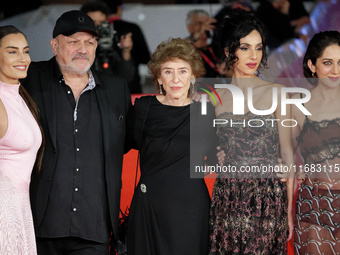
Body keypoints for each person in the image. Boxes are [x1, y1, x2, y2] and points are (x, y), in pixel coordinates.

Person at [20, 10, 131, 254]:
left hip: (94, 228)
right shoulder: (28, 80)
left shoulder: (115, 89)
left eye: (89, 42)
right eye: (73, 42)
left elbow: (126, 141)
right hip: (40, 225)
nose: (83, 49)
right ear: (54, 45)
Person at [208, 13, 295, 254]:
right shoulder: (215, 99)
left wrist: (288, 212)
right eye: (245, 48)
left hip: (267, 197)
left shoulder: (278, 93)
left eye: (258, 48)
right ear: (228, 51)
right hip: (228, 196)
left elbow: (287, 154)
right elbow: (210, 152)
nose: (253, 56)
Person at [125, 37, 219, 255]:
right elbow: (115, 145)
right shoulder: (143, 109)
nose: (176, 79)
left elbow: (219, 156)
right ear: (158, 76)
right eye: (168, 71)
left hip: (192, 209)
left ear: (193, 76)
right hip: (150, 207)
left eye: (183, 71)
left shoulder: (205, 112)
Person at [292, 30, 340, 254]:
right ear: (312, 65)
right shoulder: (296, 106)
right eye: (328, 63)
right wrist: (285, 216)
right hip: (313, 204)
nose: (336, 71)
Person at [0, 25, 43, 254]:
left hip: (19, 209)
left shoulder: (20, 97)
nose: (22, 58)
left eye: (25, 51)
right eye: (12, 51)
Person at [80, 0, 135, 84]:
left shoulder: (112, 43)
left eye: (102, 23)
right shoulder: (76, 45)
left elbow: (126, 77)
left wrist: (126, 51)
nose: (98, 27)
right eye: (93, 22)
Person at [102, 0, 151, 94]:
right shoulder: (132, 29)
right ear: (119, 8)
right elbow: (145, 58)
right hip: (130, 86)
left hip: (102, 86)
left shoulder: (96, 29)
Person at [185, 9, 222, 78]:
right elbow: (178, 46)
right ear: (189, 27)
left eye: (207, 23)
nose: (205, 26)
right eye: (200, 23)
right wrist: (199, 32)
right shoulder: (187, 51)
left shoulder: (216, 49)